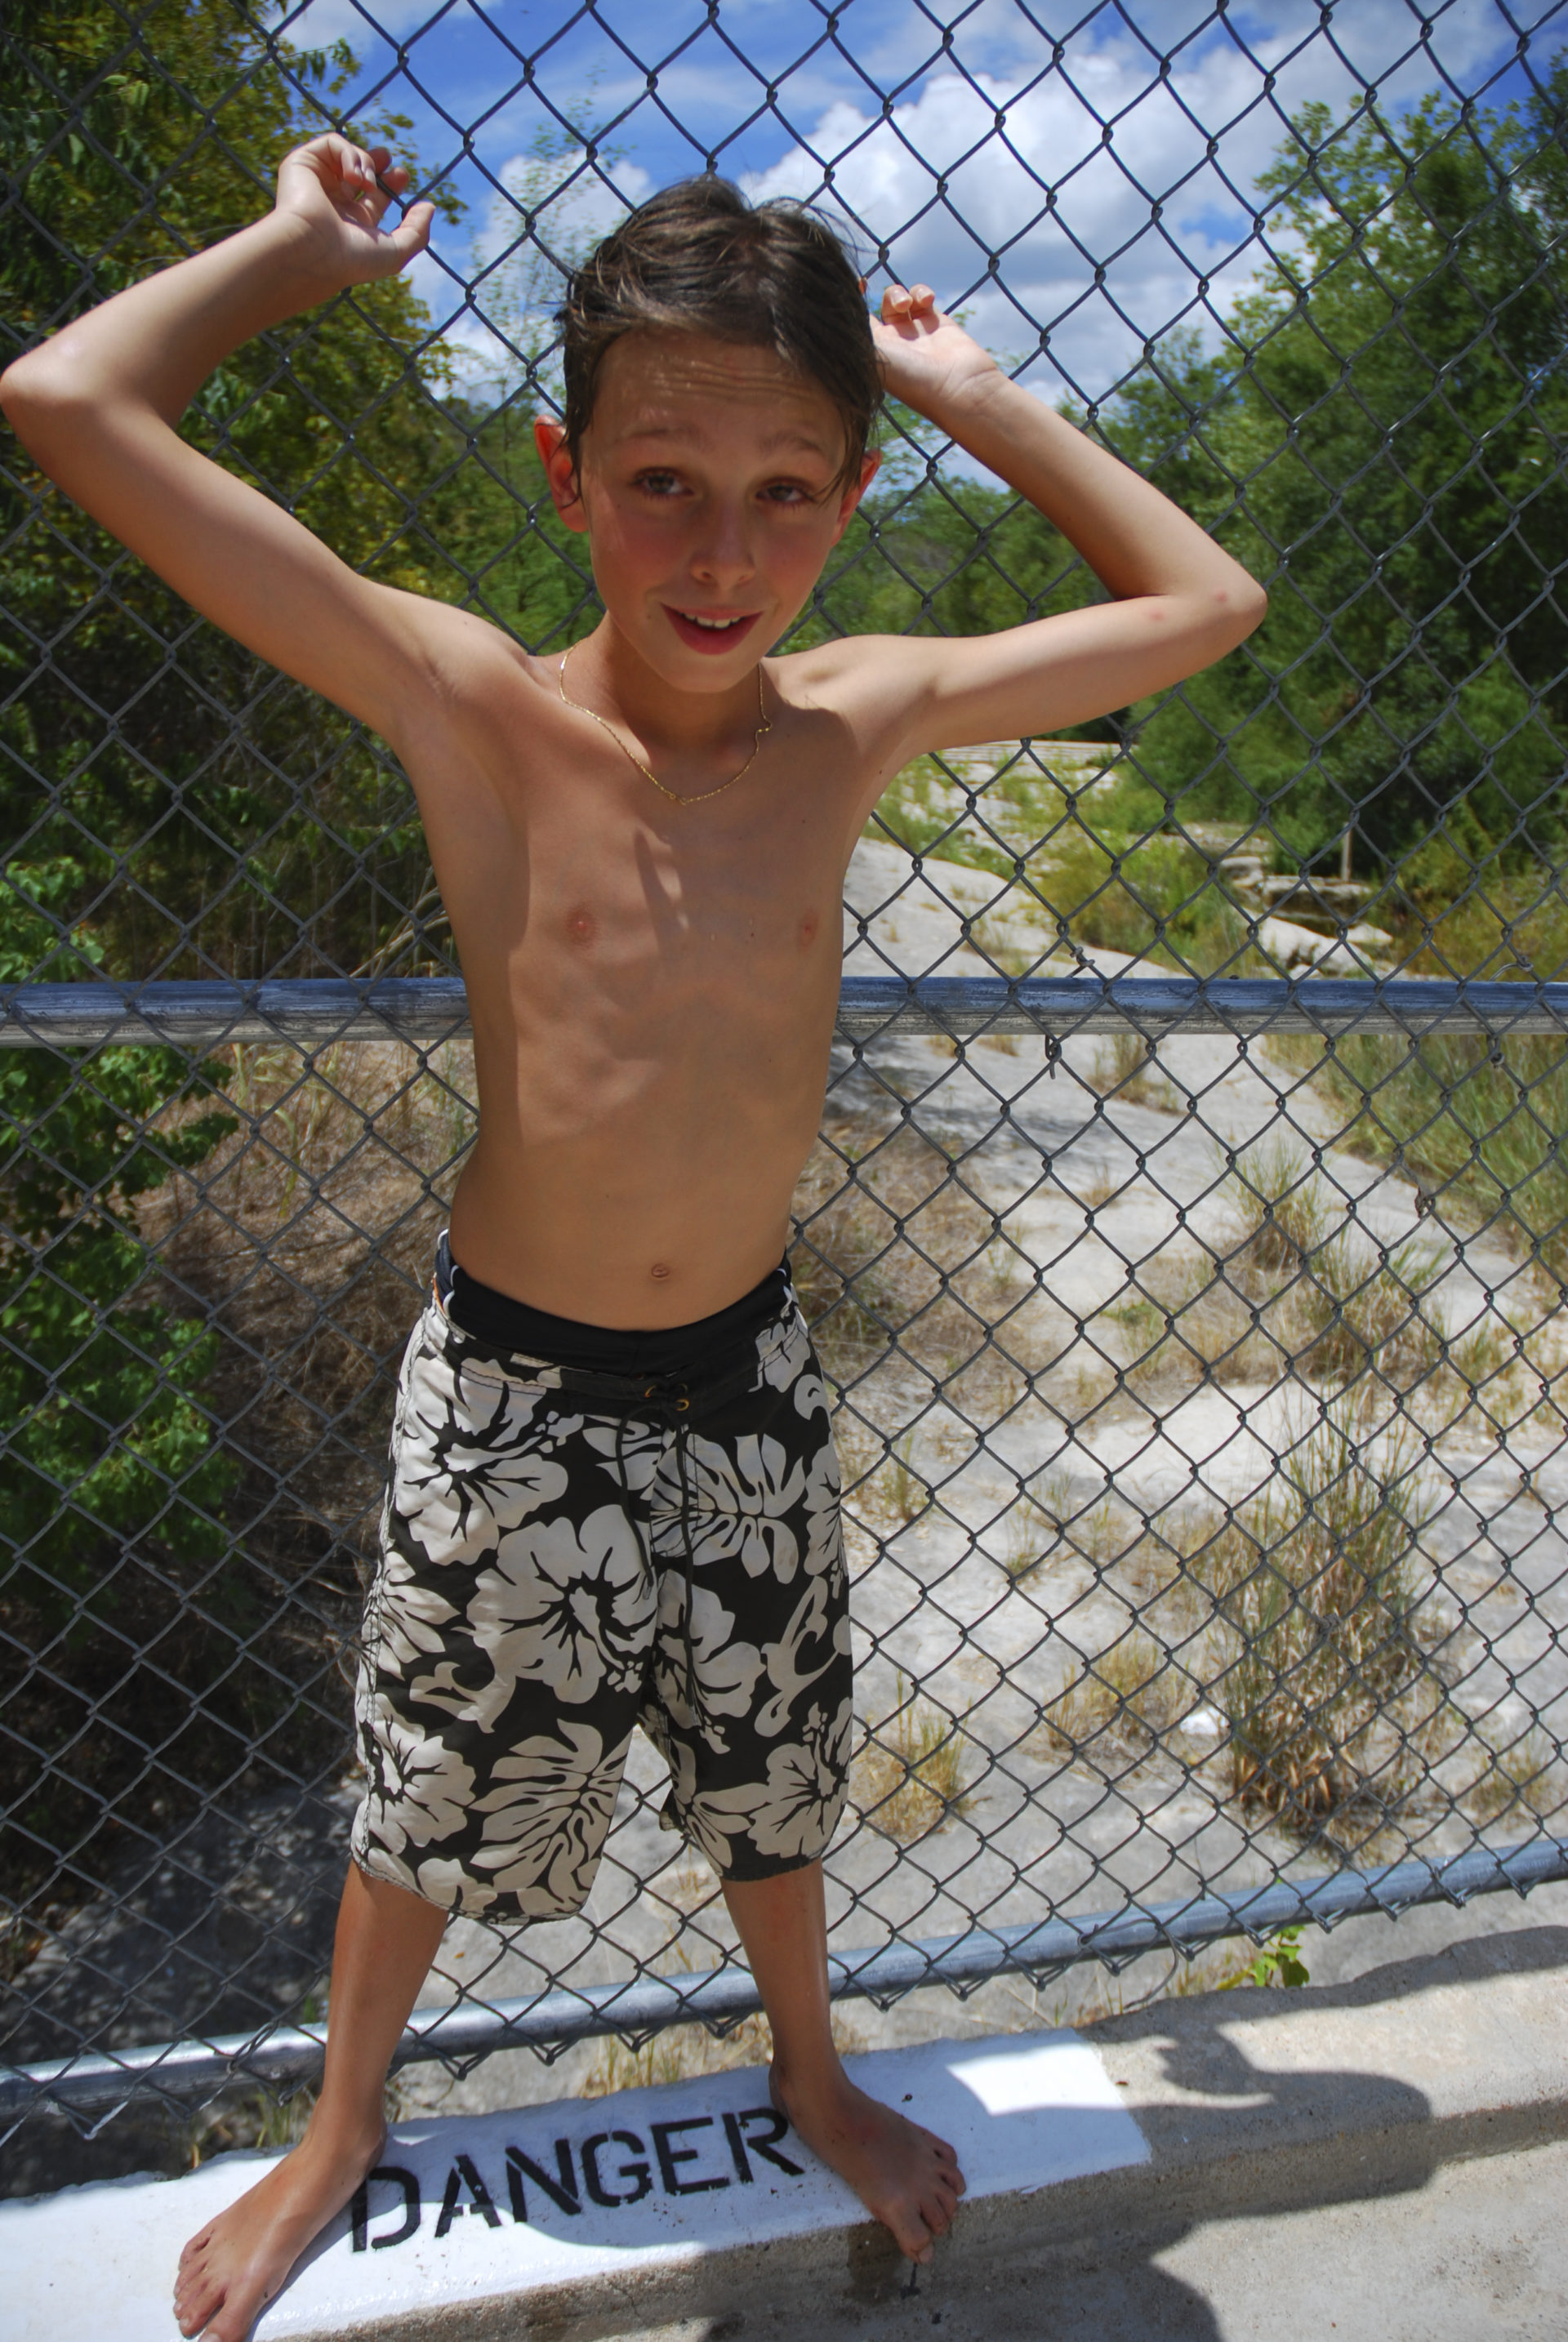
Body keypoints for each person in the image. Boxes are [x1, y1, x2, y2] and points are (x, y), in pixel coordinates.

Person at [0, 133, 1264, 2342]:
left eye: (789, 489)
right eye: (665, 482)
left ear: (853, 495)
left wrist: (967, 391)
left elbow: (1205, 602)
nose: (726, 550)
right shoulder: (472, 701)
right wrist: (292, 255)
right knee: (423, 1785)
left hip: (750, 1374)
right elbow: (65, 402)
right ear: (565, 471)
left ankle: (812, 2069)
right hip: (515, 1383)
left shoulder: (858, 715)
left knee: (775, 1765)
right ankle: (342, 2122)